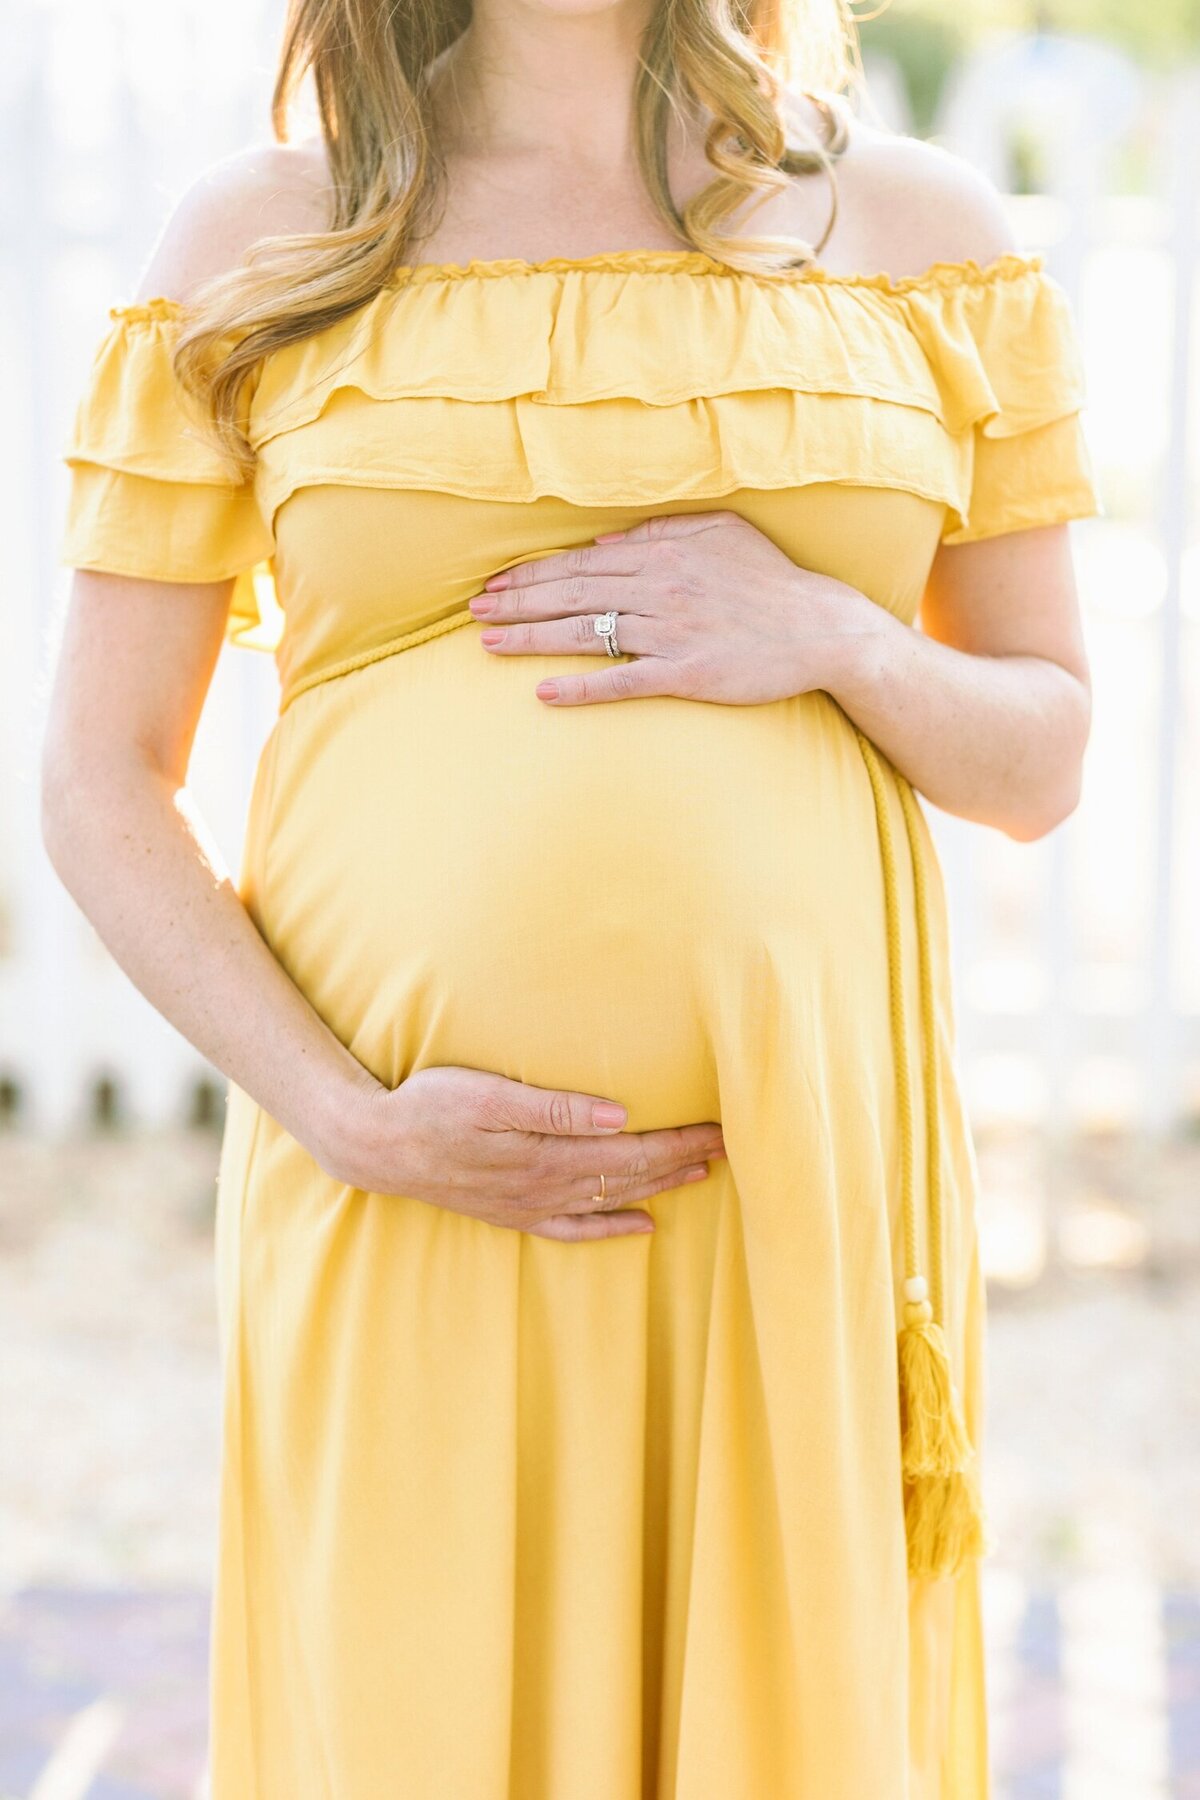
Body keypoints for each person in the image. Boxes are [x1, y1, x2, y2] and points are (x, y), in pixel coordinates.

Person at [42, 0, 1101, 1788]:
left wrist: (832, 633)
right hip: (410, 1191)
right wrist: (348, 1116)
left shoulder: (918, 238)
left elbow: (1042, 755)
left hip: (787, 1196)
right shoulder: (264, 239)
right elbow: (94, 781)